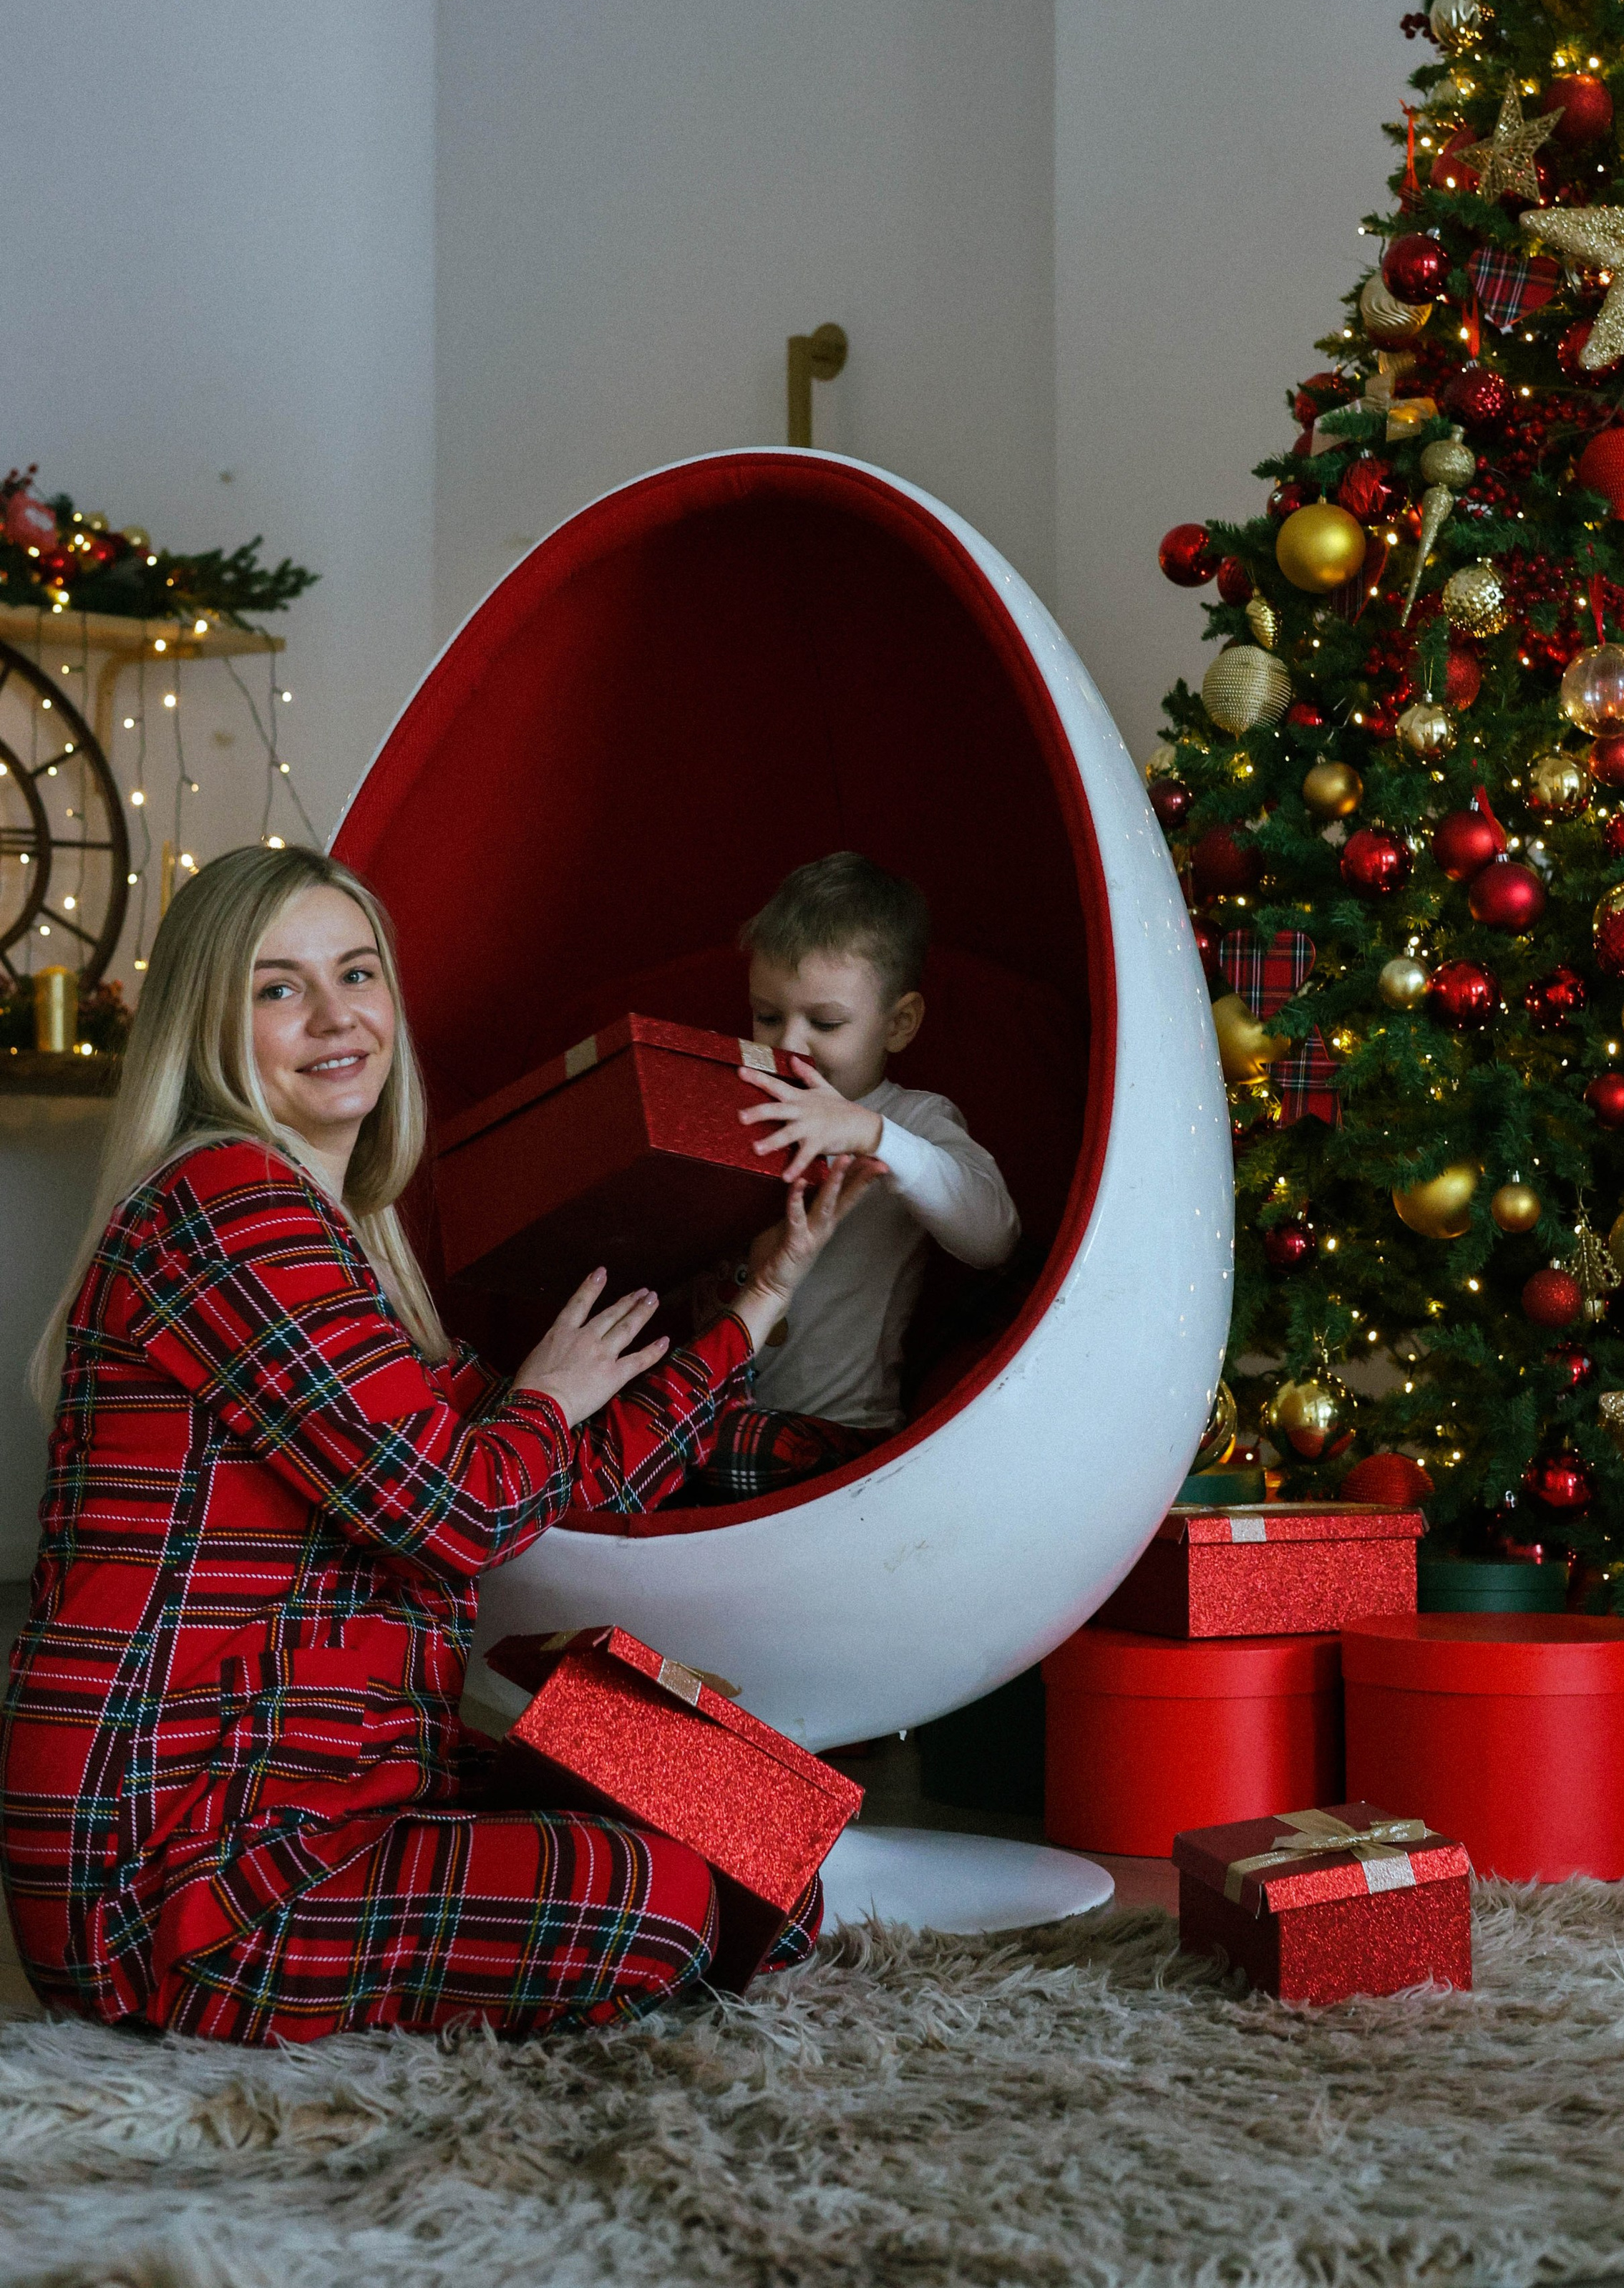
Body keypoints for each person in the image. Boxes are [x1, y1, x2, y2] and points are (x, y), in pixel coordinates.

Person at [0, 845, 877, 2044]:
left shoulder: (345, 1248)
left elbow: (566, 1483)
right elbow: (458, 1514)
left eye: (356, 973)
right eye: (279, 988)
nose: (336, 1017)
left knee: (764, 1848)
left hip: (348, 1783)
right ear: (208, 1026)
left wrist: (760, 1300)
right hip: (185, 1863)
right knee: (664, 1904)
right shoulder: (223, 1204)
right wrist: (544, 1398)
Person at [729, 852, 1021, 1439]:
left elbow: (995, 1237)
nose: (791, 1045)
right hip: (704, 1420)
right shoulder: (737, 1100)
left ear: (898, 1023)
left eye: (826, 1024)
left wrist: (874, 1134)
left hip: (841, 1430)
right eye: (767, 1017)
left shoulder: (912, 1119)